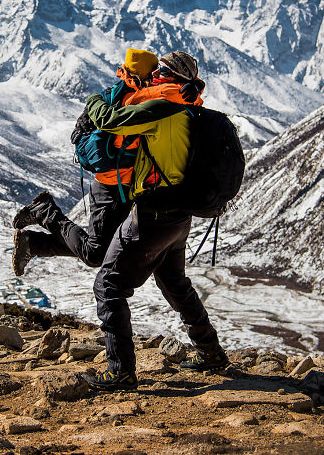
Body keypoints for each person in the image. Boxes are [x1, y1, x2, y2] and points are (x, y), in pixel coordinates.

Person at [80, 50, 228, 392]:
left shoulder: (161, 106)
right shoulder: (190, 103)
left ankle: (121, 371)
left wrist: (93, 101)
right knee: (174, 282)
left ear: (168, 75)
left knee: (108, 285)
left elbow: (110, 120)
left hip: (154, 212)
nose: (154, 75)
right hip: (180, 214)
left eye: (160, 71)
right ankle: (210, 352)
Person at [11, 49, 205, 277]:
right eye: (154, 71)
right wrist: (192, 87)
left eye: (160, 71)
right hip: (111, 183)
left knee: (104, 250)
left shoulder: (143, 91)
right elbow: (118, 117)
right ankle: (44, 214)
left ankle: (33, 243)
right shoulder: (137, 99)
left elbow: (179, 98)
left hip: (126, 185)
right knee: (95, 253)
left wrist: (195, 86)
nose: (156, 74)